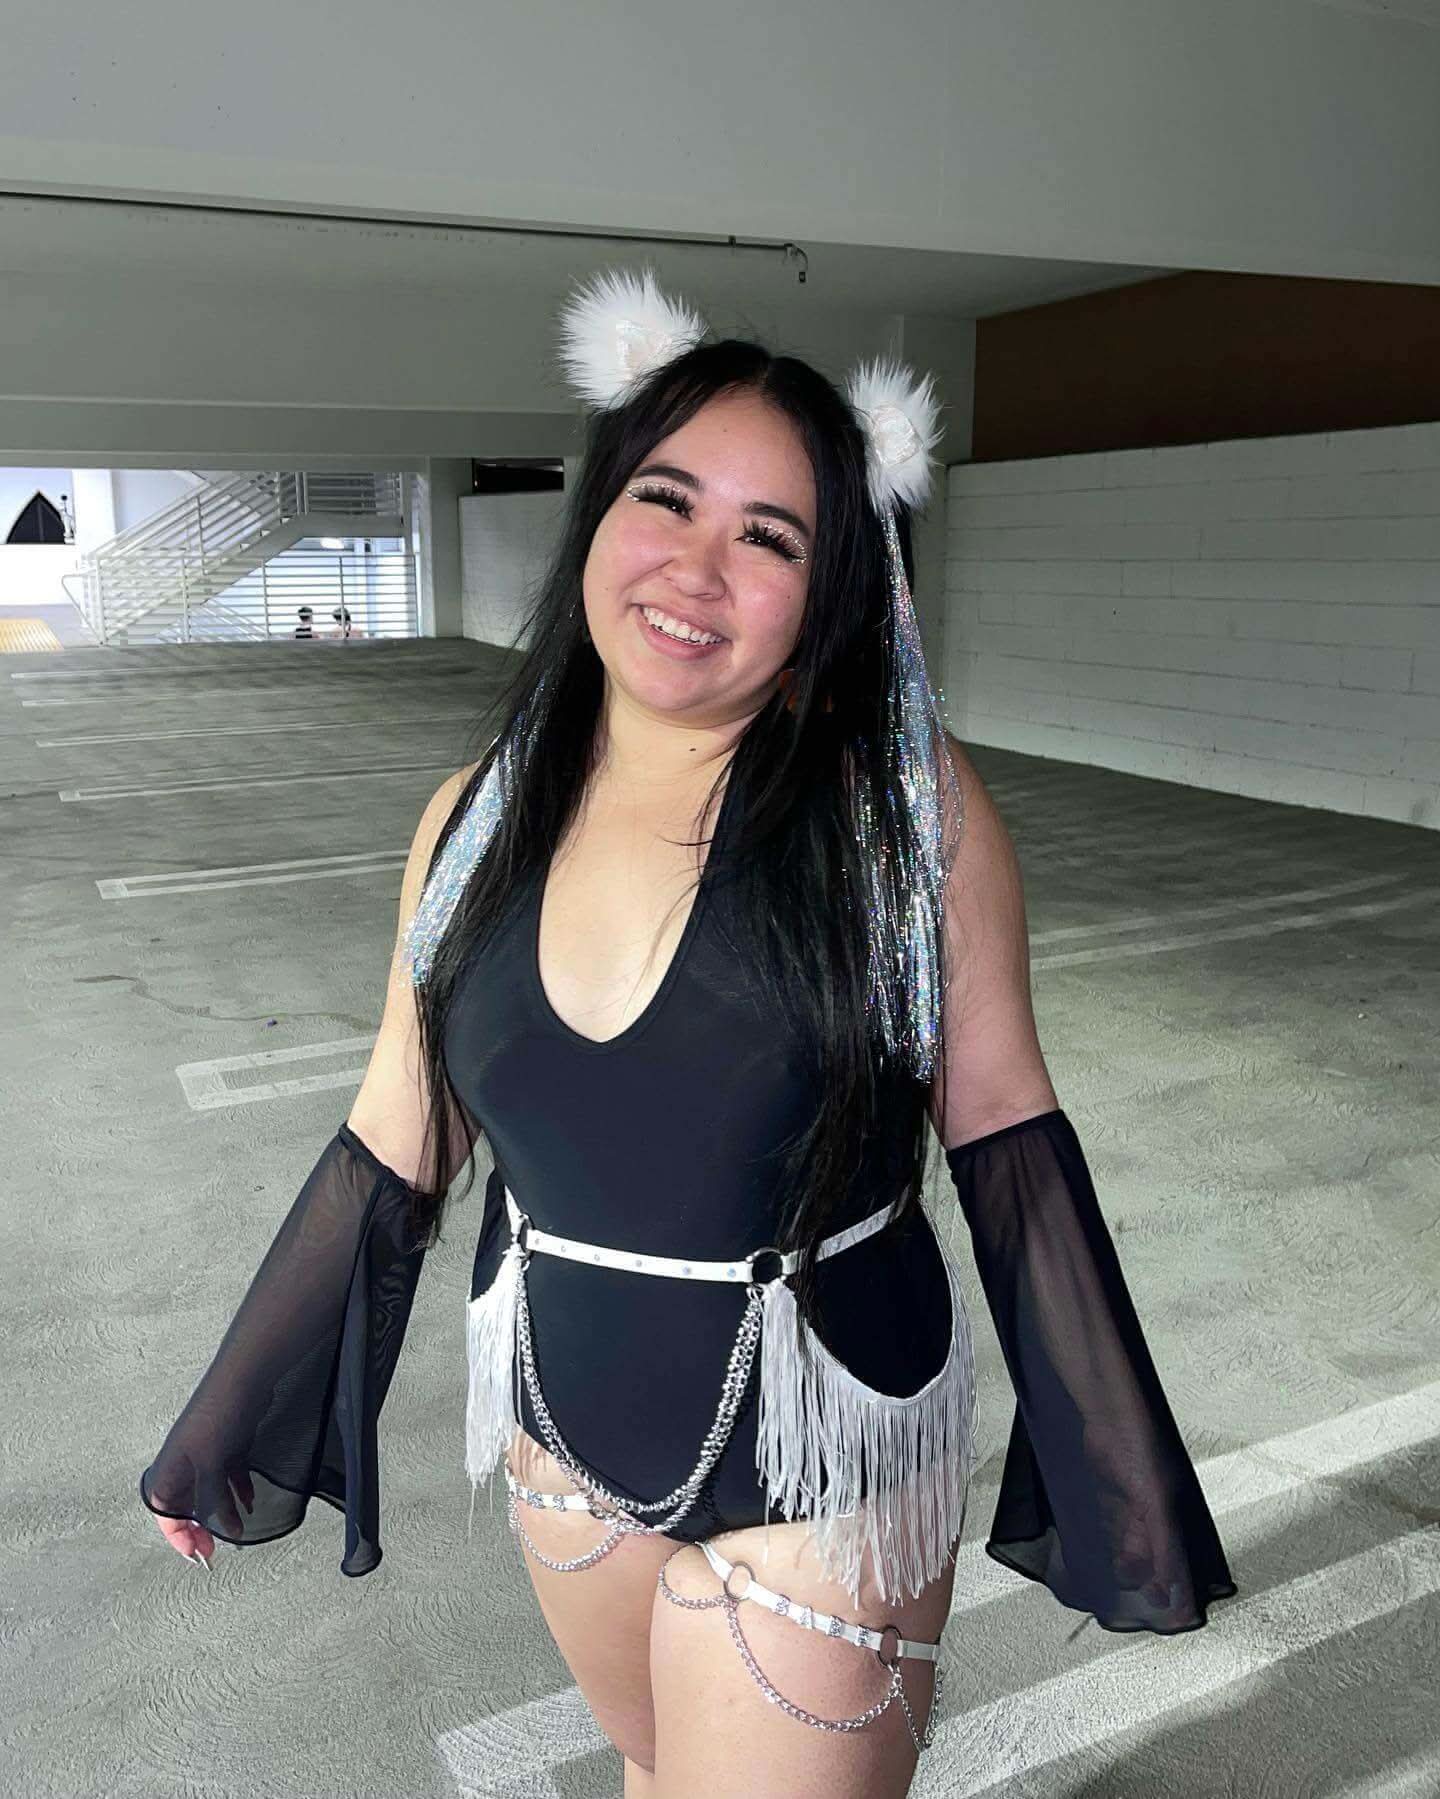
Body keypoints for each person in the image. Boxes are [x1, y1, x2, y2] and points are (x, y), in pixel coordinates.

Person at [141, 268, 1237, 1796]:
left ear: (833, 590)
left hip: (821, 1451)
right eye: (665, 500)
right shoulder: (470, 822)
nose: (695, 569)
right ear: (599, 510)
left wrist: (1119, 1476)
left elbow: (1005, 1136)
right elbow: (397, 1130)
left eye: (768, 537)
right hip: (564, 1445)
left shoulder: (906, 821)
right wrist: (232, 1411)